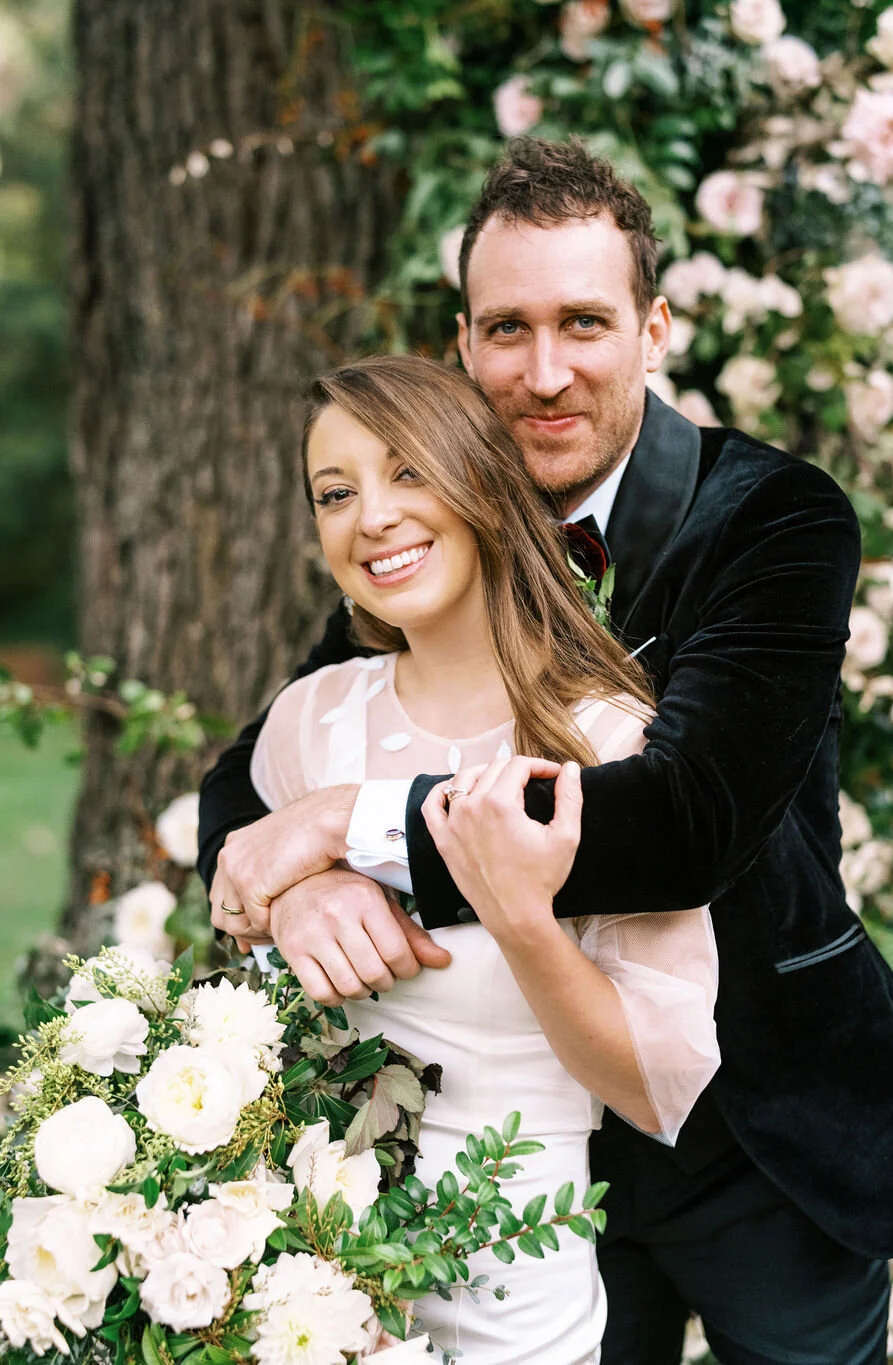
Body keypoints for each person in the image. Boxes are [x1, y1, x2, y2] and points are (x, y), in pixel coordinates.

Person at [199, 138, 893, 1364]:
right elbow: (251, 782)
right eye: (506, 329)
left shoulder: (774, 518)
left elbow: (686, 823)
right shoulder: (429, 533)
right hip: (517, 1153)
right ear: (463, 343)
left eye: (584, 323)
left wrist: (347, 823)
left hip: (758, 1124)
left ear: (654, 327)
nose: (543, 373)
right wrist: (304, 885)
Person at [248, 353, 721, 1362]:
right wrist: (299, 894)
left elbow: (658, 1085)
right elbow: (242, 905)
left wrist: (520, 919)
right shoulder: (307, 724)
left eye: (407, 471)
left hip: (516, 1293)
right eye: (335, 493)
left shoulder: (607, 743)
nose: (370, 516)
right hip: (308, 1290)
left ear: (485, 484)